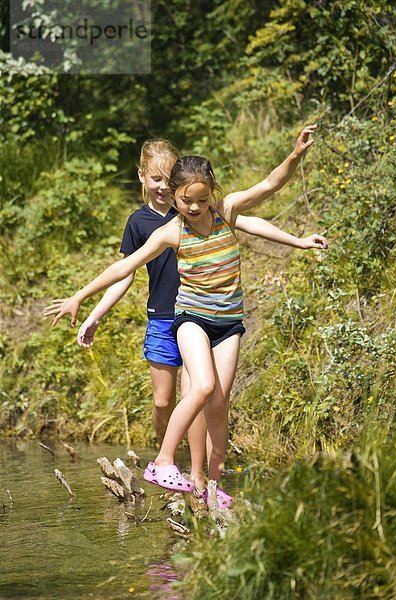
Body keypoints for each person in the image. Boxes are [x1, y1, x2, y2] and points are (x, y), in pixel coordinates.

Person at [44, 125, 327, 506]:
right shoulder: (170, 232)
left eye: (201, 200)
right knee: (203, 386)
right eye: (185, 201)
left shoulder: (225, 212)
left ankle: (210, 486)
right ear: (175, 196)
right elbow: (123, 267)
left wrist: (295, 157)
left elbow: (270, 185)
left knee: (219, 402)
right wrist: (80, 296)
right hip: (191, 318)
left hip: (228, 324)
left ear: (212, 194)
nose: (194, 208)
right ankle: (162, 460)